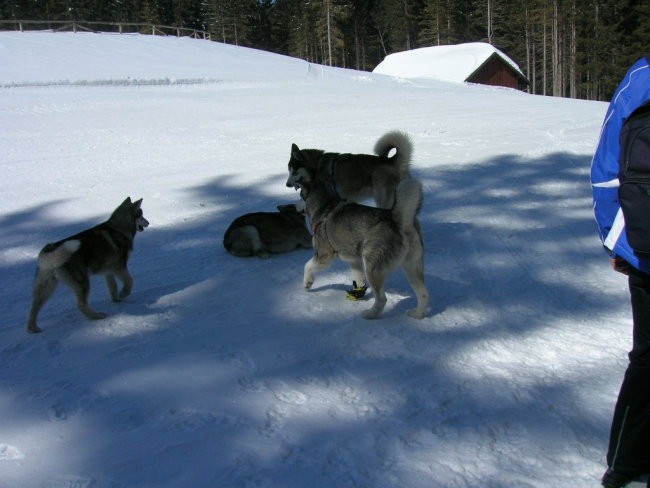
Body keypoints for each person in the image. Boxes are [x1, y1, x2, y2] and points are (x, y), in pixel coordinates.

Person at [591, 54, 650, 488]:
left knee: (648, 361)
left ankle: (625, 465)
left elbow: (606, 171)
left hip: (646, 250)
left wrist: (616, 242)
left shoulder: (643, 76)